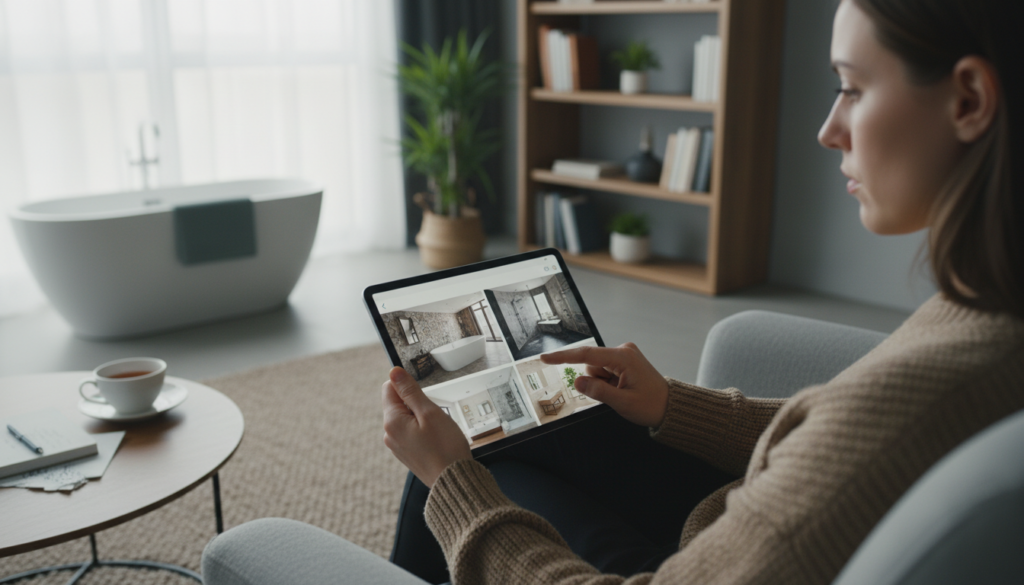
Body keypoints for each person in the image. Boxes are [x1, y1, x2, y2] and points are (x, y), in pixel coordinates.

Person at [381, 0, 1024, 583]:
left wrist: (454, 486)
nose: (829, 129)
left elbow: (863, 435)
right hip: (732, 517)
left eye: (851, 88)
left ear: (968, 100)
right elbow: (835, 433)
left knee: (465, 465)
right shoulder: (987, 308)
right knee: (518, 426)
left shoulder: (934, 390)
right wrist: (673, 404)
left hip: (697, 559)